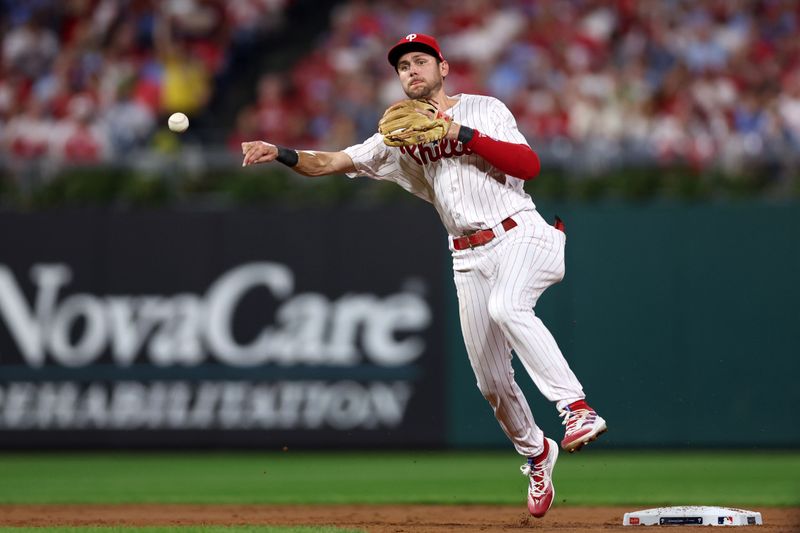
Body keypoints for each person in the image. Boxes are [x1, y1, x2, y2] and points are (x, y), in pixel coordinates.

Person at [241, 33, 607, 518]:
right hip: (467, 257)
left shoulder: (483, 108)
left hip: (520, 233)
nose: (411, 70)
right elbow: (330, 161)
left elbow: (529, 165)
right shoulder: (398, 138)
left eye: (420, 61)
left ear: (444, 68)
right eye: (403, 66)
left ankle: (576, 408)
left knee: (507, 306)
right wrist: (281, 152)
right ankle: (537, 452)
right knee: (490, 381)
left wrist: (459, 135)